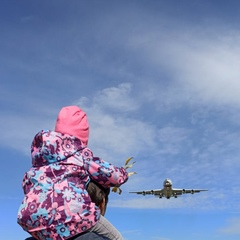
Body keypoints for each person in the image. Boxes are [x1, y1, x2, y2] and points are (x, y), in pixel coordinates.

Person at [18, 106, 128, 240]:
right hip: (72, 216)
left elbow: (27, 185)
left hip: (33, 222)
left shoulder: (39, 162)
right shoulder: (79, 154)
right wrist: (124, 173)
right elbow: (112, 175)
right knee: (117, 238)